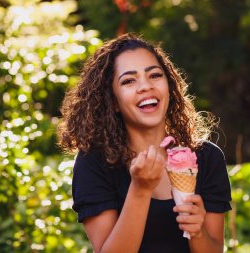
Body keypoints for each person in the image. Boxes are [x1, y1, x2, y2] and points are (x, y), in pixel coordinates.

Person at [57, 33, 231, 253]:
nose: (145, 86)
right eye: (129, 81)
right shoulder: (94, 163)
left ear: (169, 87)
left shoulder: (207, 158)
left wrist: (197, 232)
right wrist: (140, 189)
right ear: (114, 102)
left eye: (155, 75)